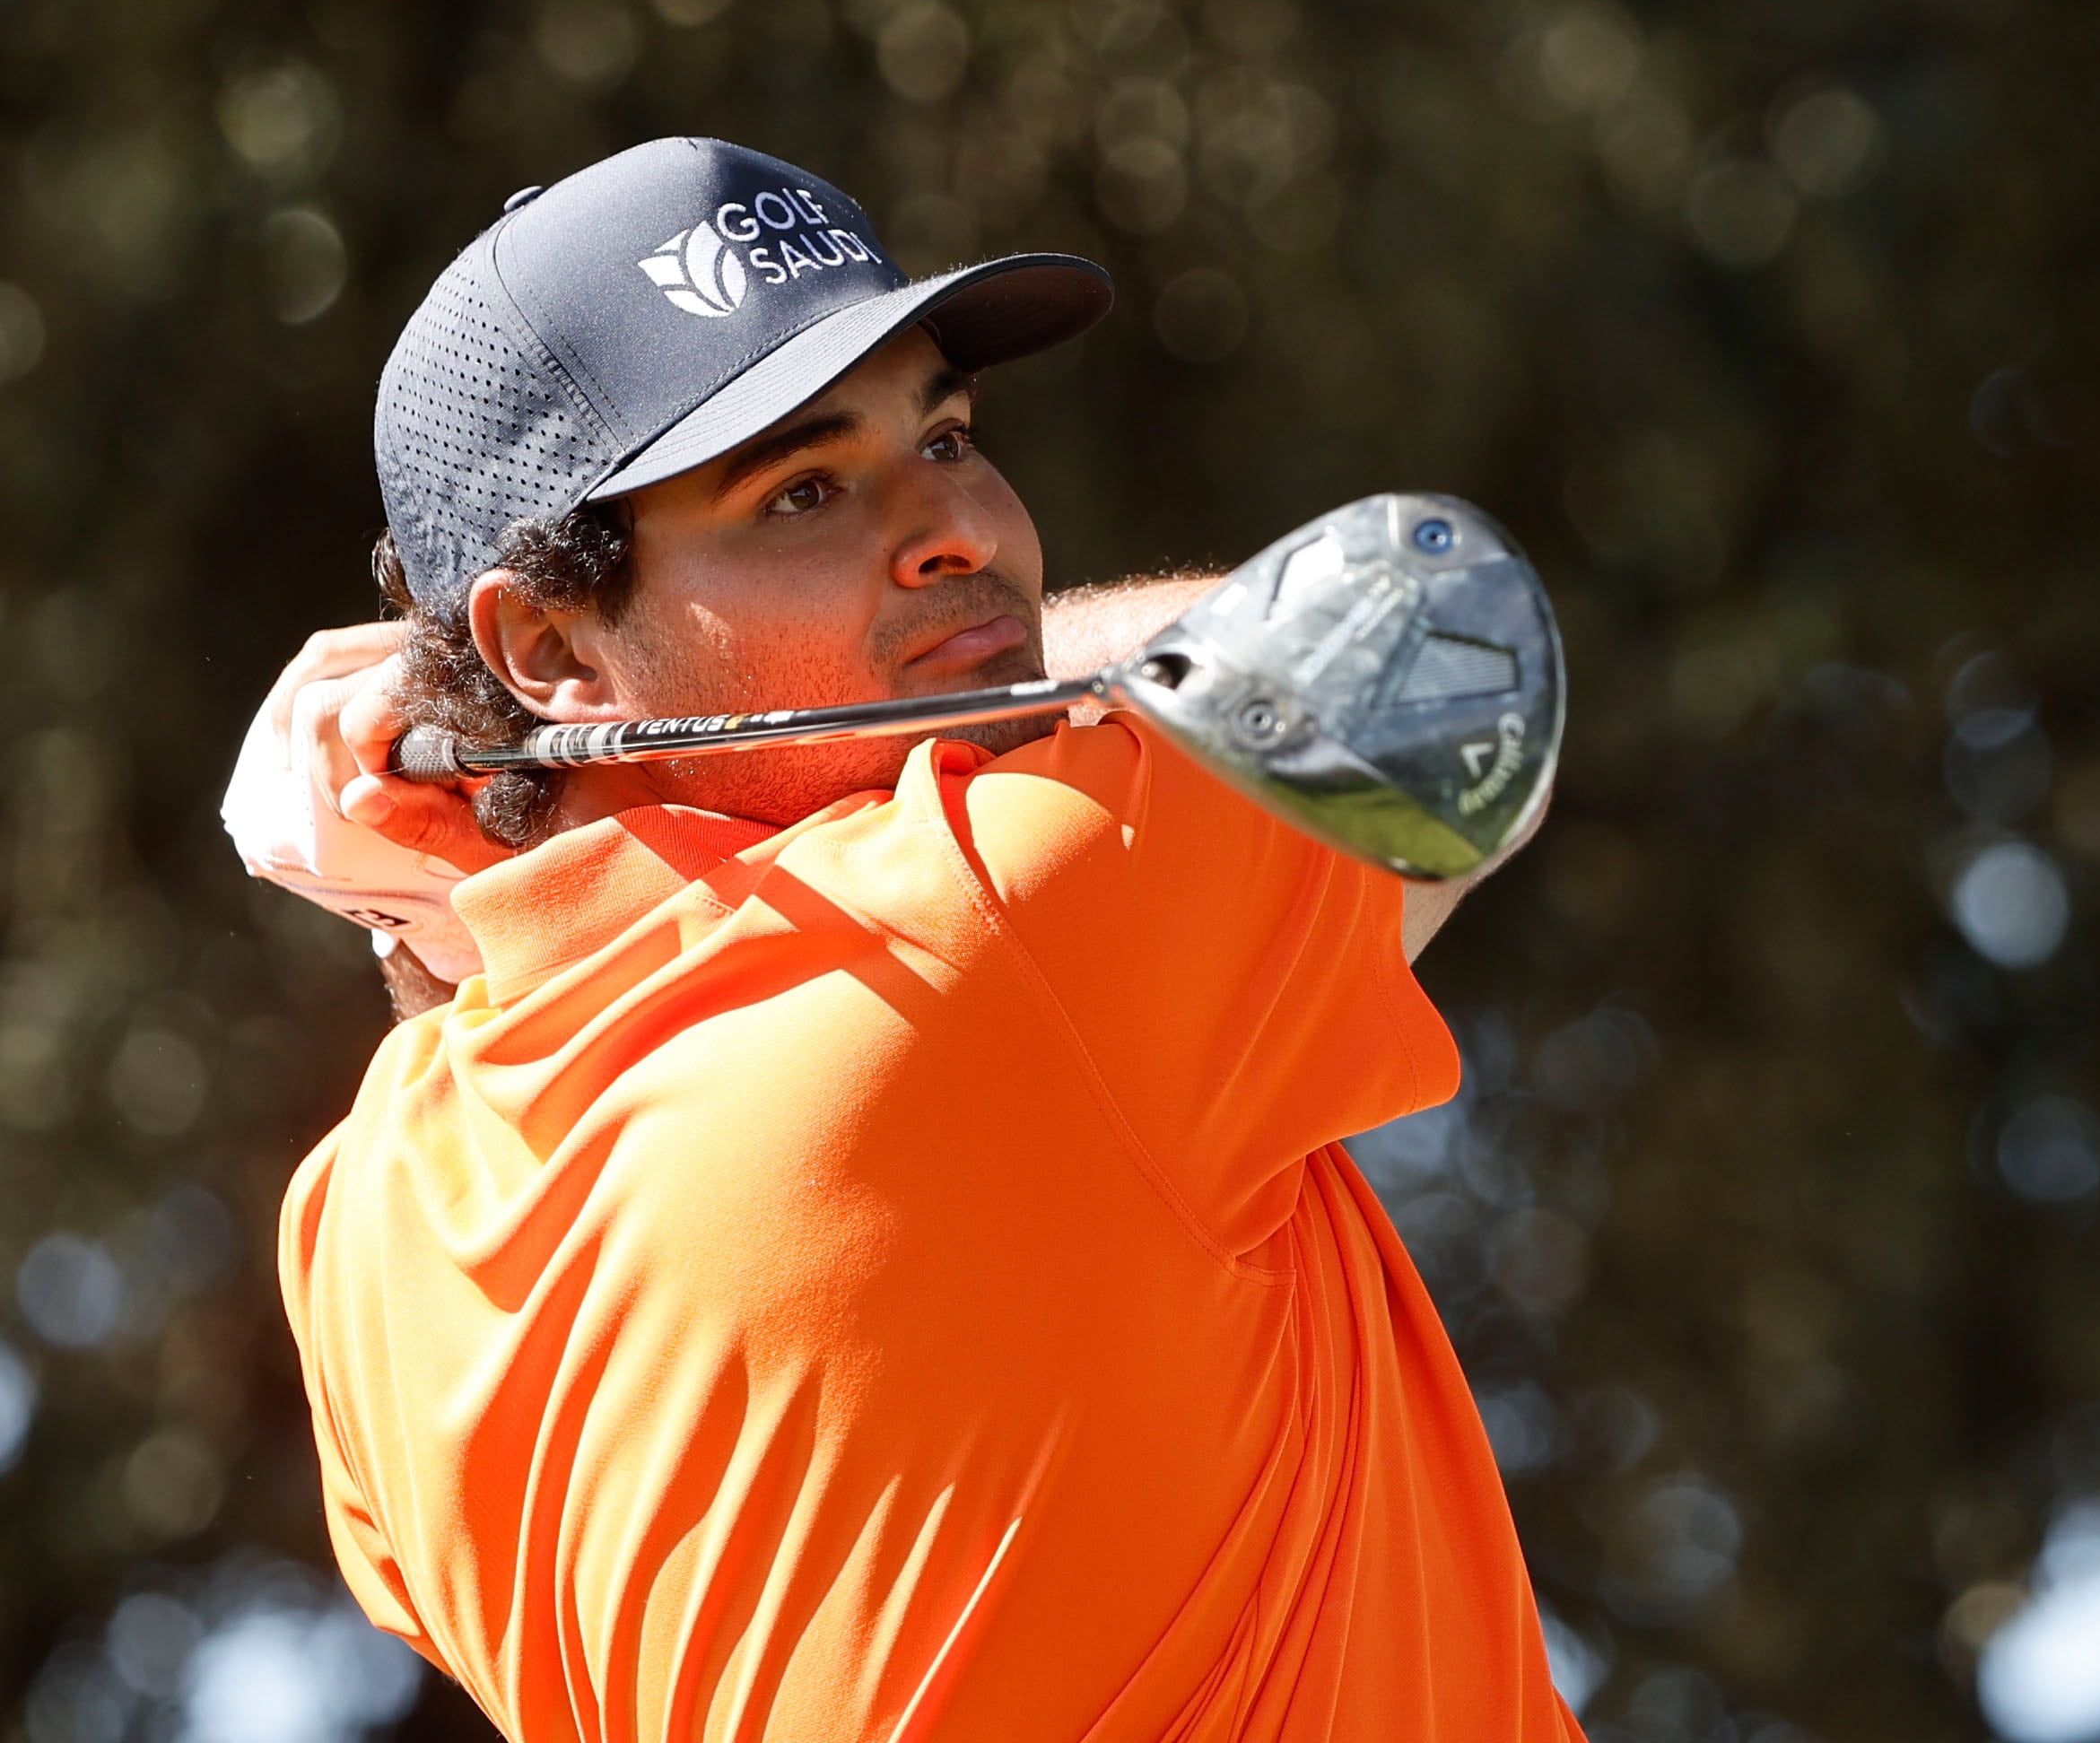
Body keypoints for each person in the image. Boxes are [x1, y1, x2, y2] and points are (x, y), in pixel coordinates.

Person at [239, 136, 1578, 1741]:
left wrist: (469, 818)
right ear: (547, 647)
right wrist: (1017, 678)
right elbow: (1434, 640)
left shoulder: (358, 1228)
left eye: (945, 434)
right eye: (805, 489)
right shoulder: (988, 926)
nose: (959, 530)